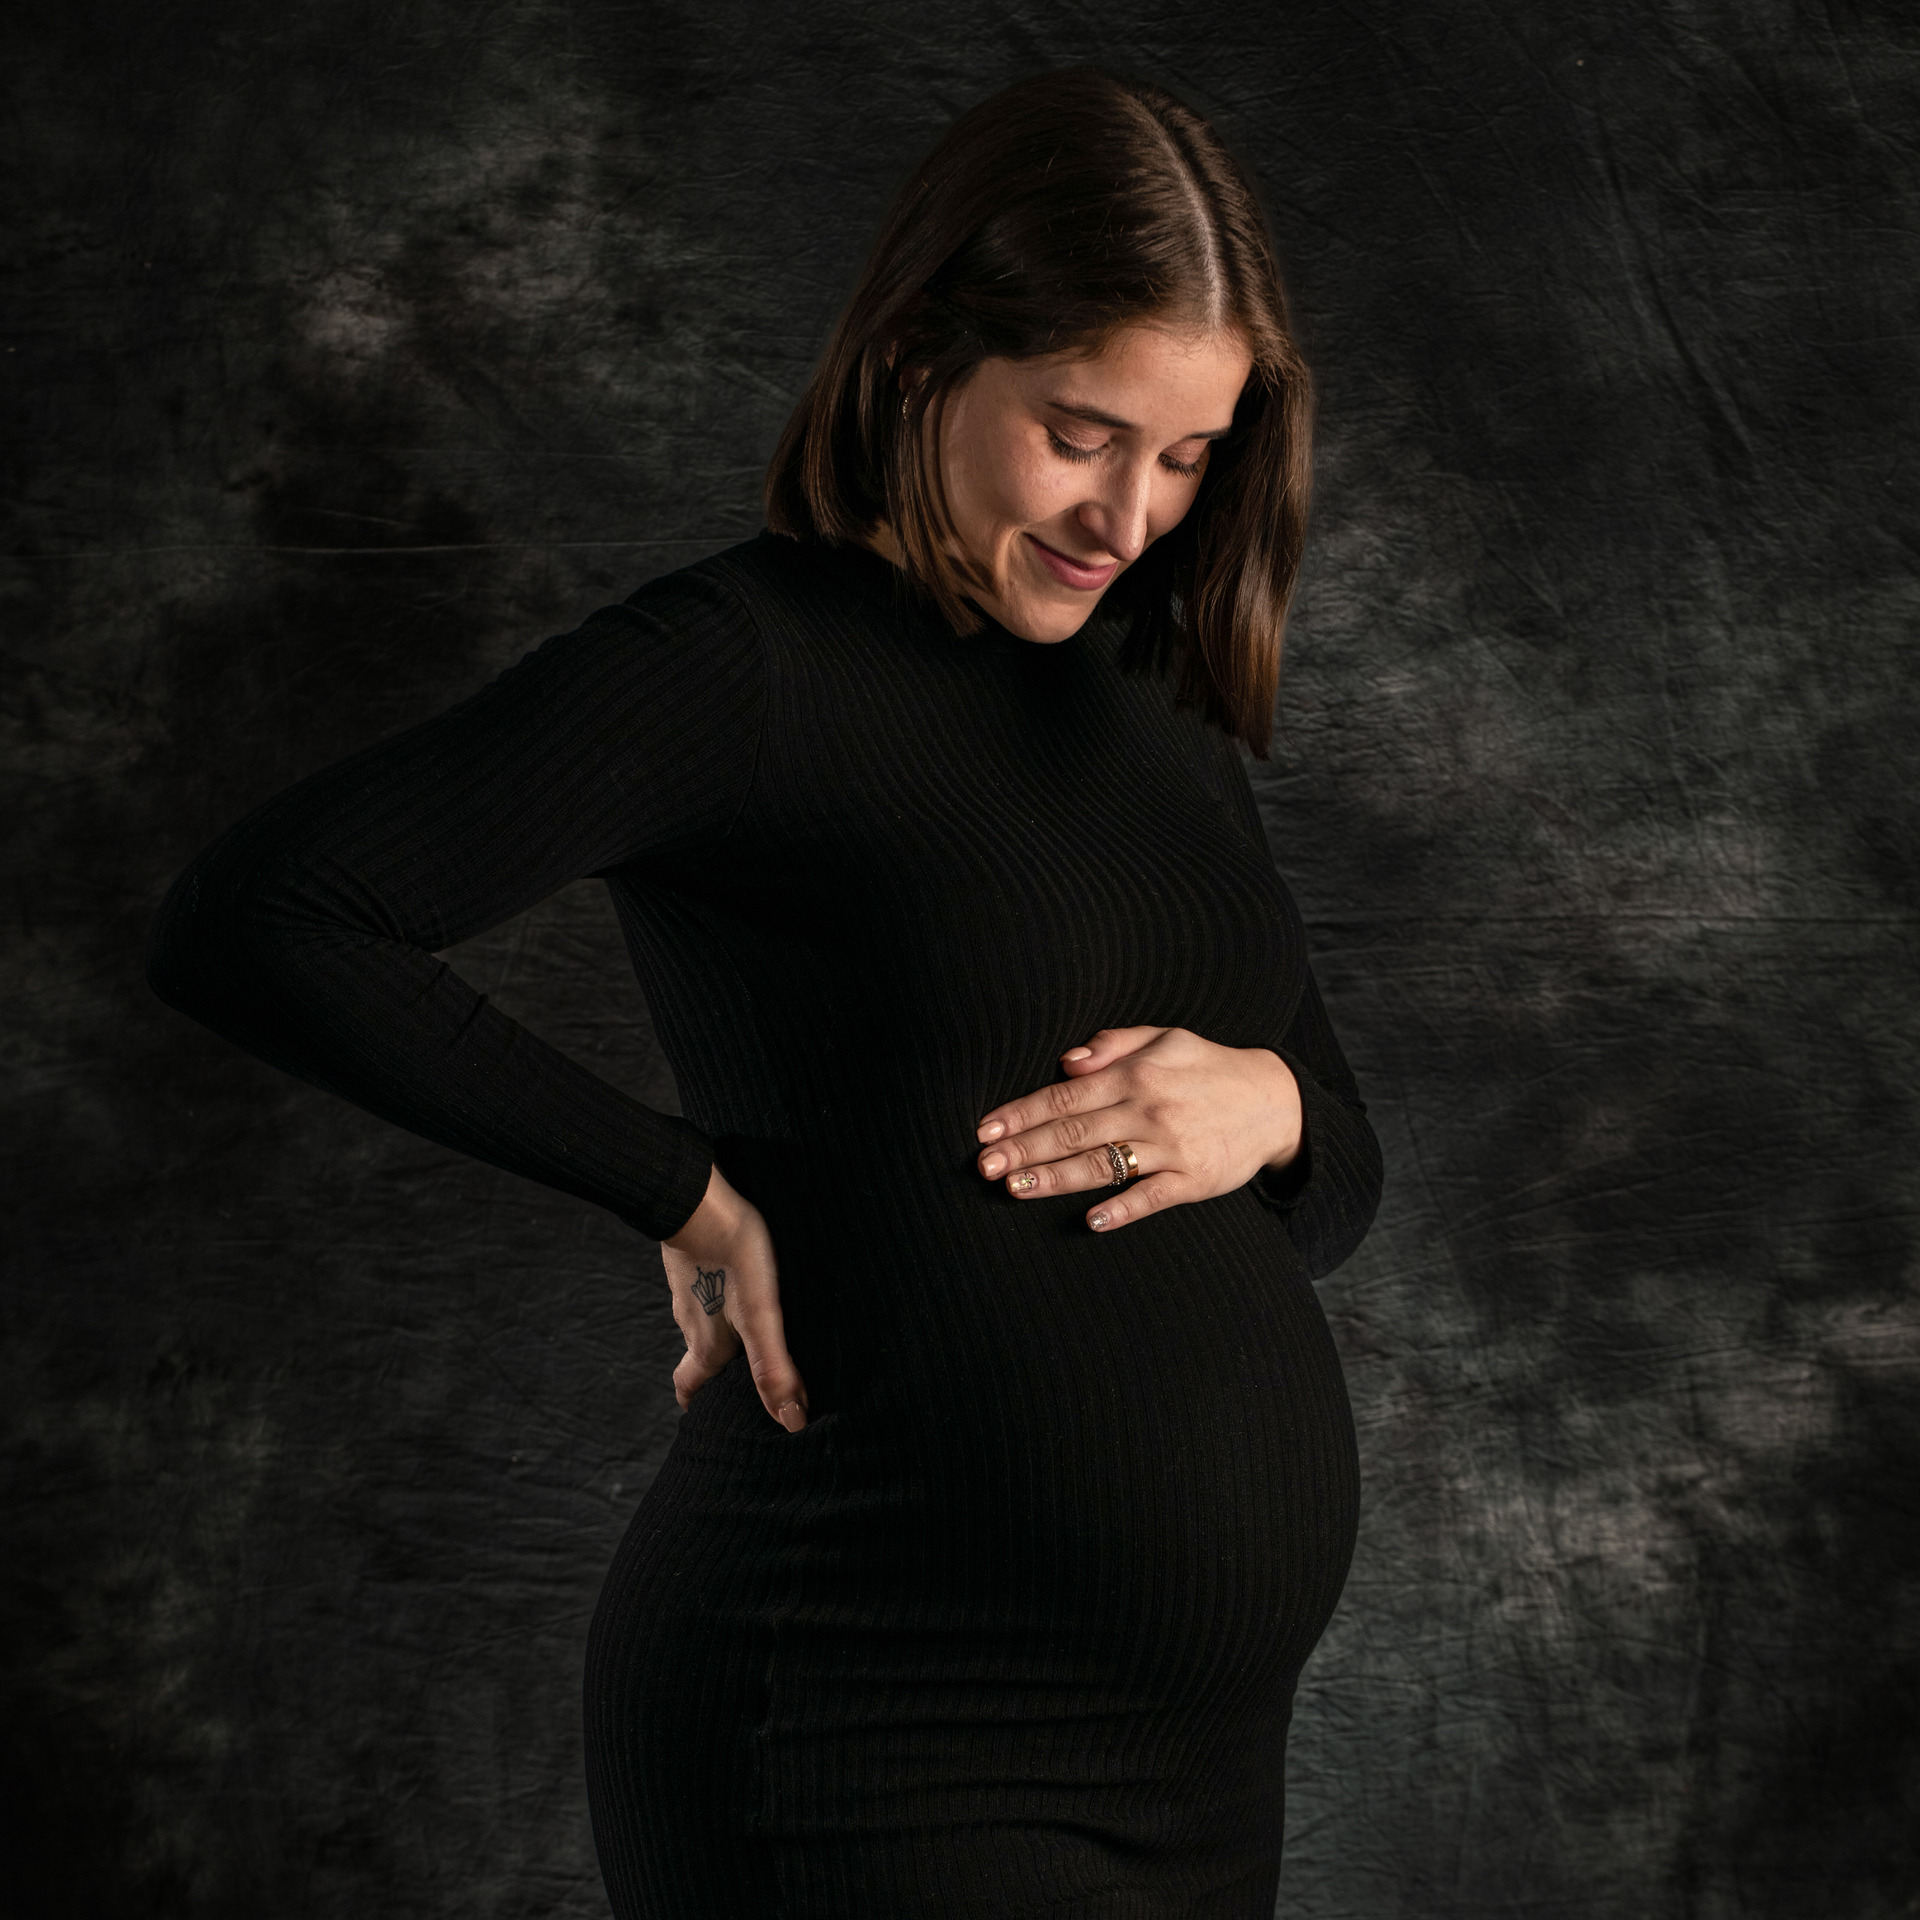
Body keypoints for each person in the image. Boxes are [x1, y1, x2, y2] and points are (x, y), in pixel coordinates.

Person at [148, 65, 1382, 1919]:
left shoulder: (1153, 696)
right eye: (1082, 433)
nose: (1132, 515)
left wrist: (1270, 1107)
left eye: (1190, 456)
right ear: (917, 358)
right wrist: (684, 1192)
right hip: (864, 1727)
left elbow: (1342, 1180)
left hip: (1197, 1783)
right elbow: (263, 916)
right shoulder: (744, 665)